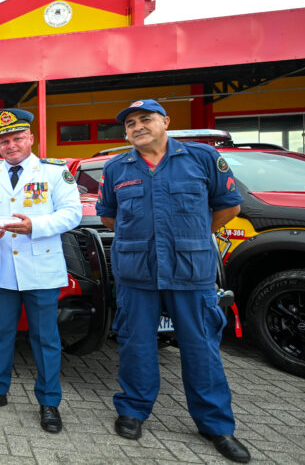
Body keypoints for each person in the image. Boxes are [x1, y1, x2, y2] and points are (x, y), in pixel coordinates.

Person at [97, 100, 249, 463]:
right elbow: (108, 216)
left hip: (190, 272)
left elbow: (228, 207)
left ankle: (216, 425)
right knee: (136, 345)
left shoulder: (201, 158)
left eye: (145, 119)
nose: (137, 127)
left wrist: (193, 236)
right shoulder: (118, 167)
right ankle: (133, 410)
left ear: (165, 121)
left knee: (202, 348)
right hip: (137, 273)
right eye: (130, 123)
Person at [0, 109, 81, 433]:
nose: (11, 145)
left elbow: (71, 214)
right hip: (0, 270)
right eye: (4, 140)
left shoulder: (54, 173)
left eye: (17, 138)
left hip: (41, 269)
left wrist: (35, 225)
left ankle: (49, 402)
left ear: (30, 138)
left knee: (45, 338)